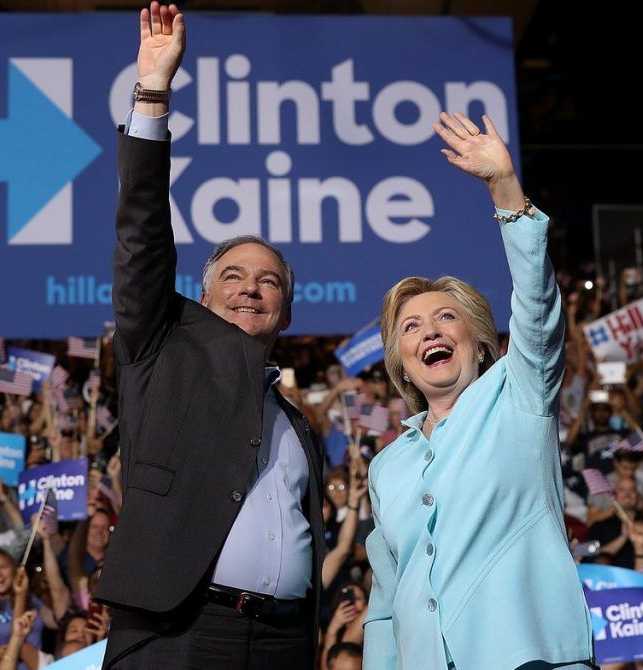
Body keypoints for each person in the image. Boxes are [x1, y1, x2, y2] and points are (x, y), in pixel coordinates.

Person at [95, 3, 325, 668]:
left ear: (287, 312)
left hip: (283, 642)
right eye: (233, 275)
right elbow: (141, 229)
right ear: (201, 294)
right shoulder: (159, 346)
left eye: (269, 282)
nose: (250, 288)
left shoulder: (295, 425)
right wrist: (153, 92)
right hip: (183, 633)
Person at [363, 111, 593, 668]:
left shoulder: (519, 397)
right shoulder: (386, 467)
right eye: (411, 328)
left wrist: (505, 190)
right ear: (402, 364)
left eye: (446, 318)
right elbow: (388, 602)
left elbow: (537, 311)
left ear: (482, 343)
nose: (430, 333)